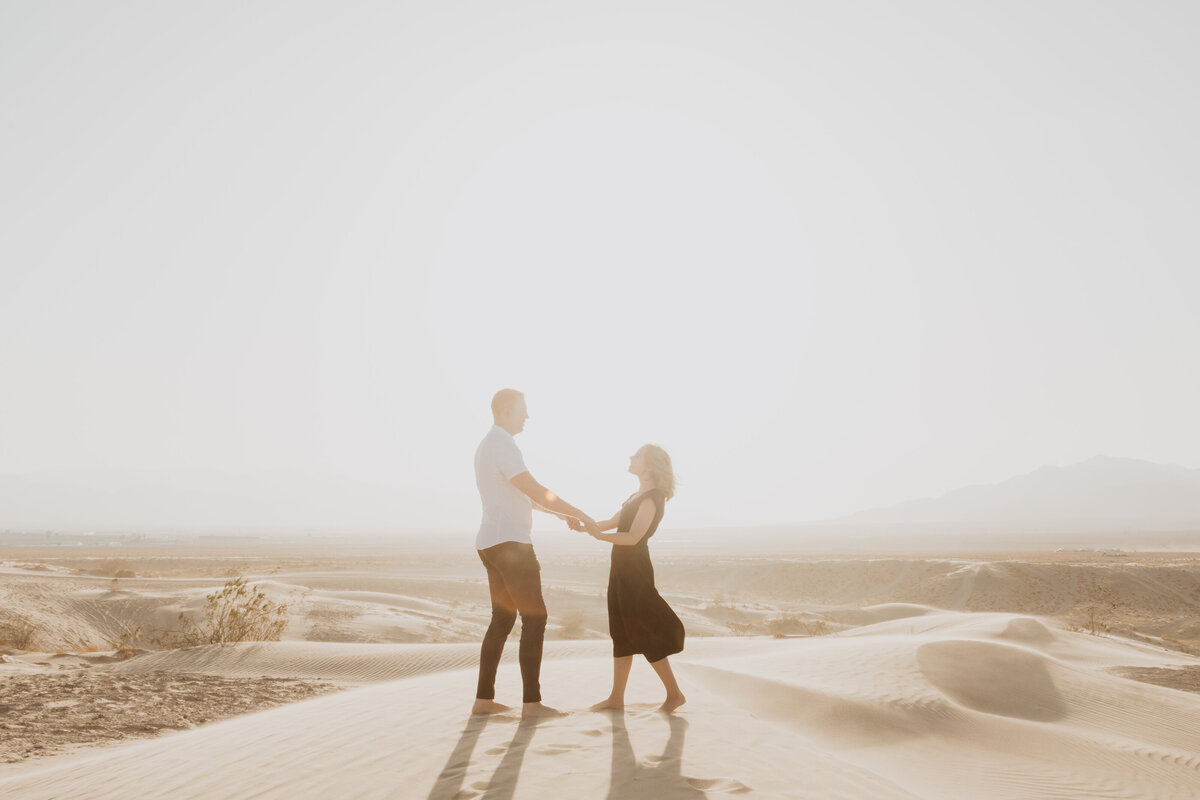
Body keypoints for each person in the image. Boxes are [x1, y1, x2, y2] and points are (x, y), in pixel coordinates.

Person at [472, 388, 598, 719]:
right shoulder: (503, 445)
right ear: (504, 411)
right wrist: (579, 512)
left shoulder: (488, 446)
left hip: (490, 542)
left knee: (502, 619)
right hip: (512, 545)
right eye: (522, 410)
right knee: (535, 618)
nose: (527, 416)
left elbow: (521, 497)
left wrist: (560, 514)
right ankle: (532, 705)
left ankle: (483, 701)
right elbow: (534, 488)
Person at [582, 444, 686, 713]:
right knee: (621, 632)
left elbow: (633, 537)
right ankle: (616, 698)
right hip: (620, 569)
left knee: (643, 631)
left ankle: (674, 694)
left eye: (637, 456)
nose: (631, 457)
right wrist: (582, 523)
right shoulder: (635, 496)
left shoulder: (653, 498)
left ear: (649, 466)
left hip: (635, 572)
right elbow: (608, 523)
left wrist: (599, 536)